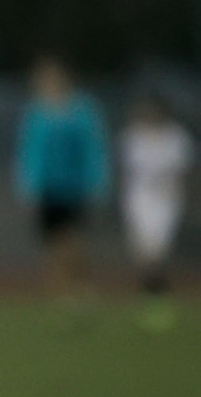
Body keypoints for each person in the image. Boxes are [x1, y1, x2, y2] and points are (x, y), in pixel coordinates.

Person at [15, 55, 108, 302]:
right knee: (53, 242)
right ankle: (66, 293)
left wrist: (96, 180)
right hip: (47, 188)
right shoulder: (37, 113)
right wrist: (28, 184)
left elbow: (92, 148)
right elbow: (30, 151)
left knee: (69, 239)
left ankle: (78, 287)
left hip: (74, 187)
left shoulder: (81, 110)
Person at [119, 91, 191, 330]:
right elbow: (128, 174)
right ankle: (151, 299)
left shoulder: (176, 138)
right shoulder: (131, 138)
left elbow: (182, 172)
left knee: (156, 255)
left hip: (166, 201)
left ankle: (159, 302)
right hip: (139, 201)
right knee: (142, 255)